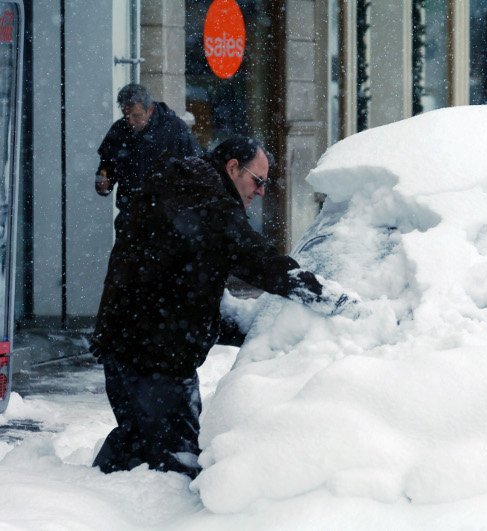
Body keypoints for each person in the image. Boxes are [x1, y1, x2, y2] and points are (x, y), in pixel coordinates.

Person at [91, 136, 354, 478]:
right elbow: (256, 259)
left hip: (127, 342)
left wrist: (249, 326)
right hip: (155, 357)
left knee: (137, 442)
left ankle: (94, 501)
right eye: (257, 181)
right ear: (232, 167)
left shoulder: (183, 187)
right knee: (176, 462)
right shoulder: (207, 201)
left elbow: (181, 282)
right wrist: (326, 295)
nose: (260, 191)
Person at [95, 83, 202, 233]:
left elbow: (198, 171)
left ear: (150, 109)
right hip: (130, 220)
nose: (130, 122)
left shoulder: (176, 129)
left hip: (168, 223)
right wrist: (103, 183)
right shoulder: (118, 131)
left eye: (136, 116)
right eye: (126, 116)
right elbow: (106, 168)